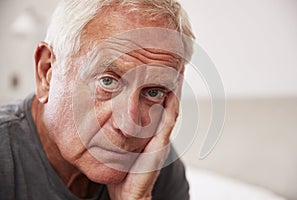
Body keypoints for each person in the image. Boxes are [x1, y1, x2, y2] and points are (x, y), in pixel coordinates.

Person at [0, 0, 195, 199]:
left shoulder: (154, 168)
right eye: (108, 82)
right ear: (47, 72)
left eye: (154, 92)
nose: (129, 126)